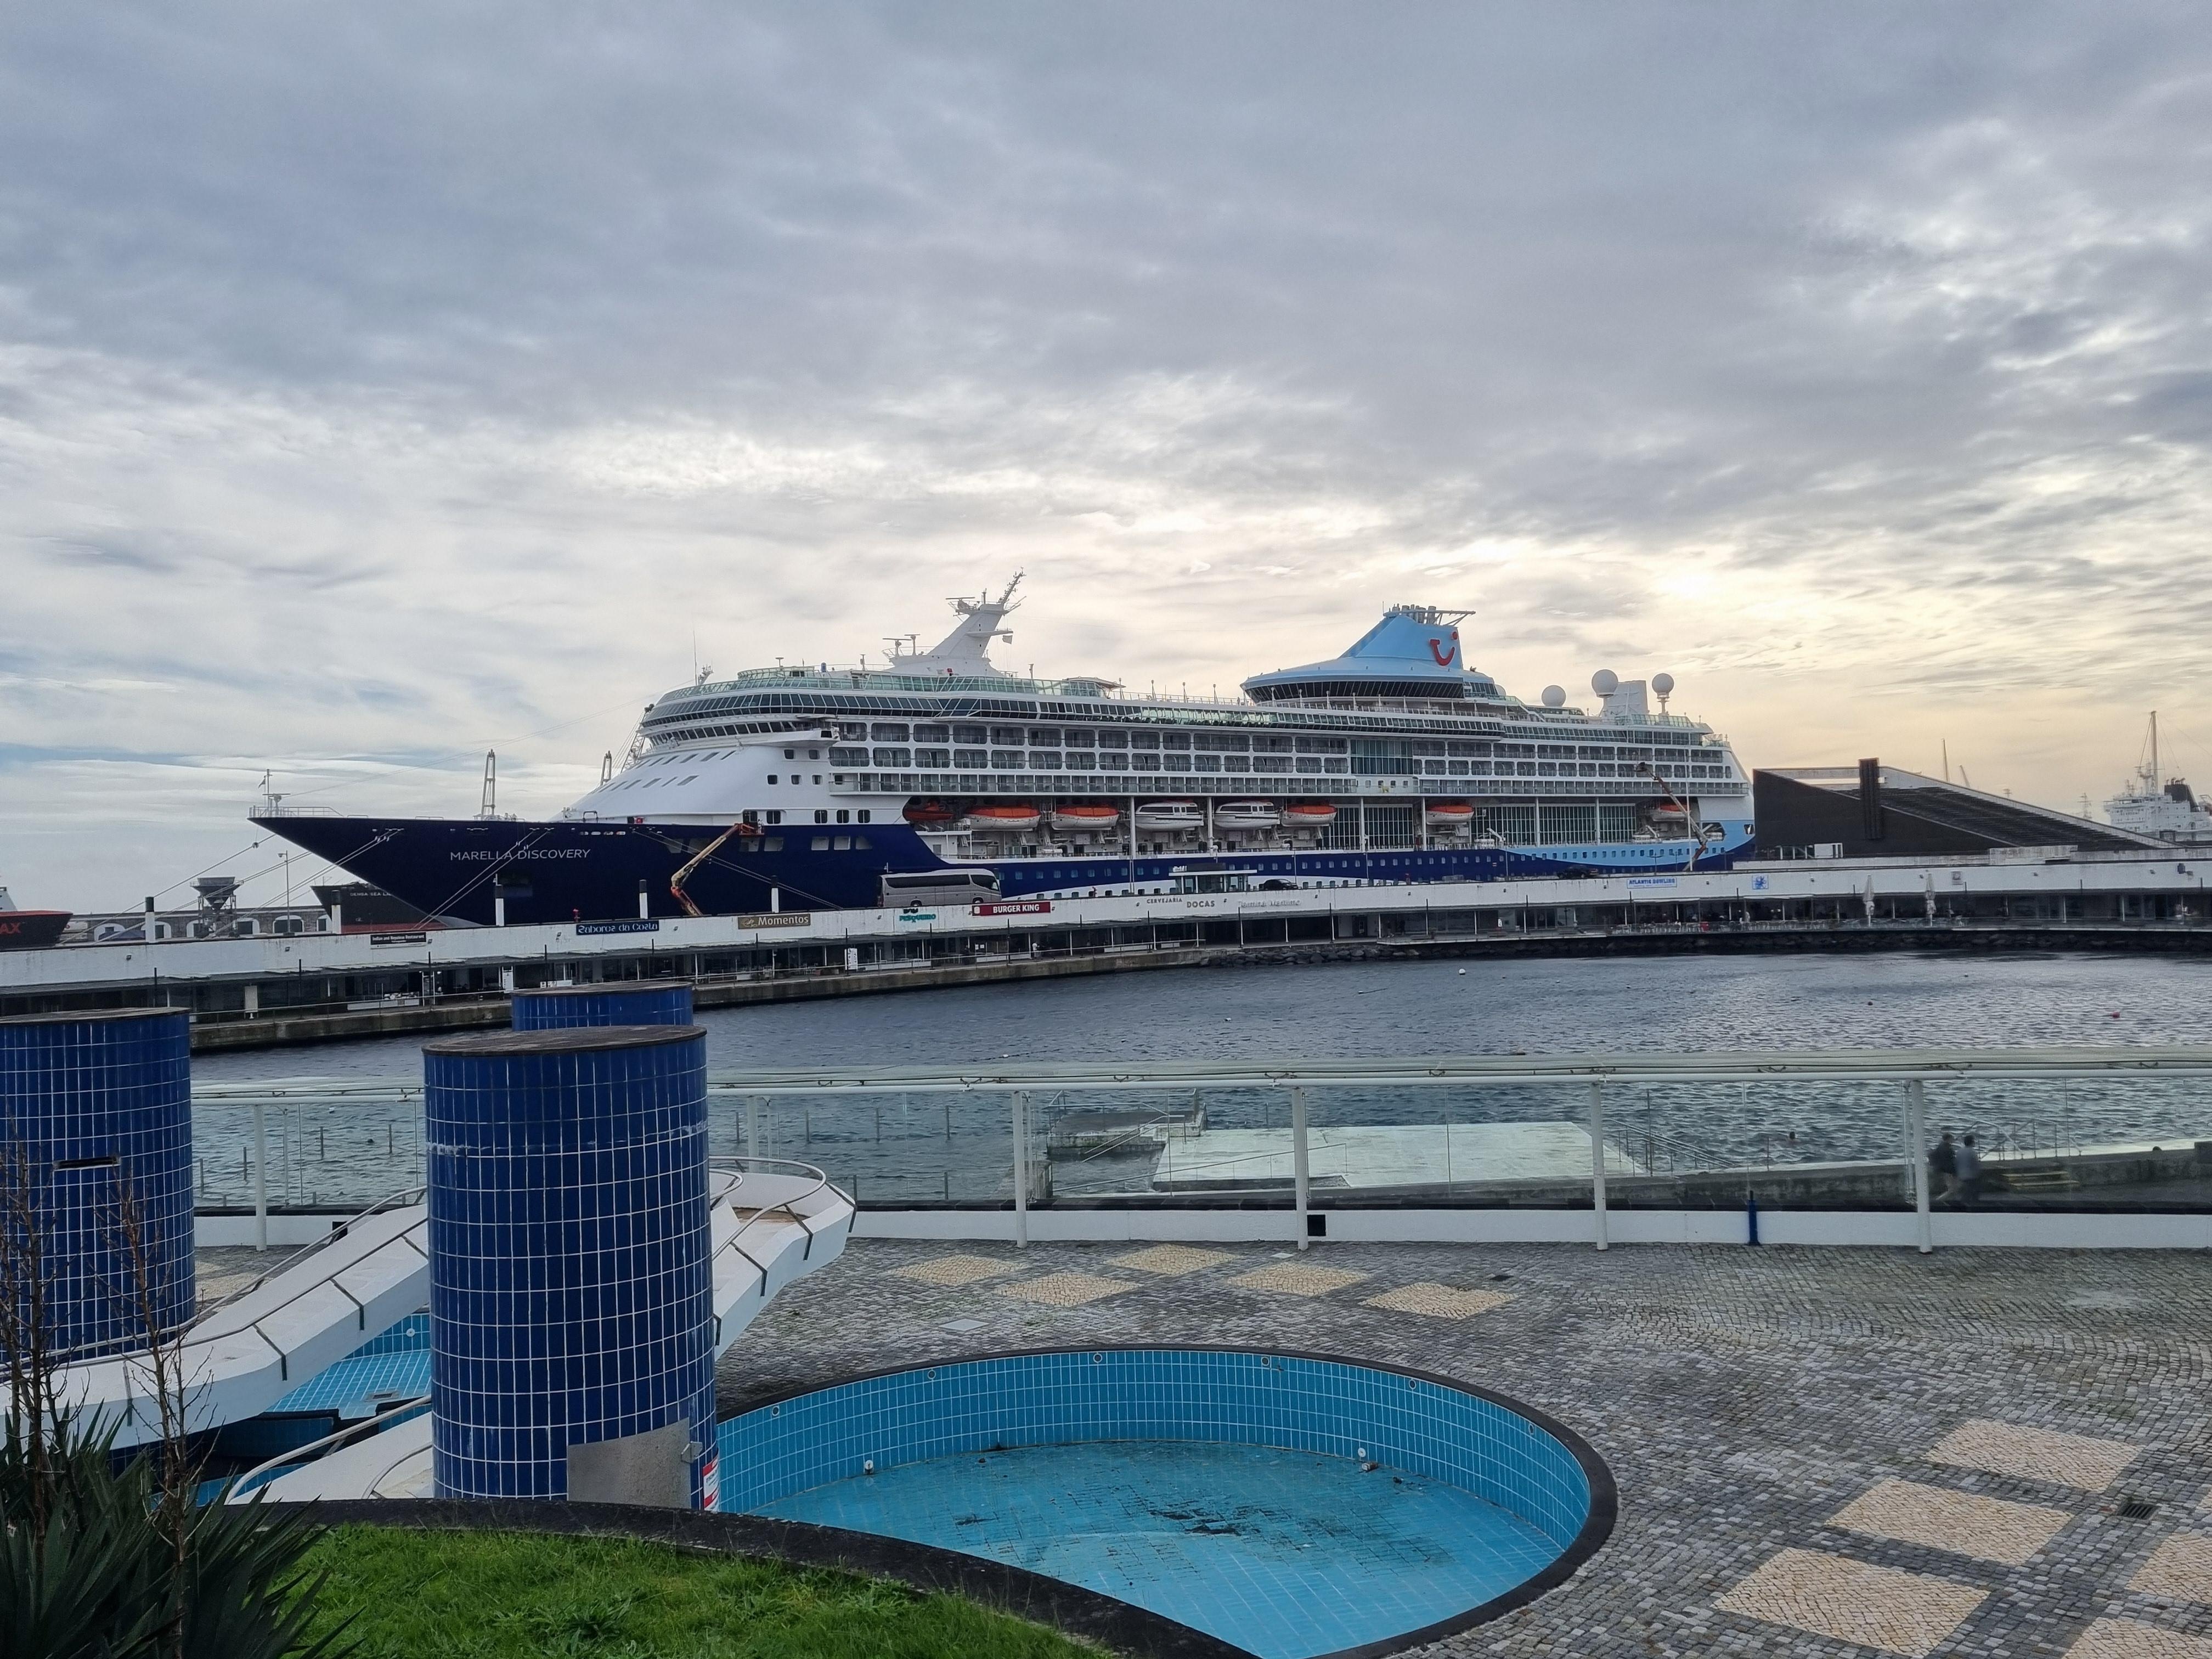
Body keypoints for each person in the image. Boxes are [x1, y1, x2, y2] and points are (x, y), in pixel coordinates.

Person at [1928, 1132, 1958, 1203]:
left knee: (1952, 1189)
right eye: (1952, 1138)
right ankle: (1937, 1201)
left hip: (1942, 1170)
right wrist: (1954, 1172)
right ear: (1949, 1139)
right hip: (1947, 1172)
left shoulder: (1941, 1146)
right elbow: (1949, 1162)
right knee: (1952, 1190)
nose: (1953, 1140)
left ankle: (1950, 1202)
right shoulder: (1948, 1149)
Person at [1956, 1135, 1984, 1206]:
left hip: (1961, 1173)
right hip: (1971, 1175)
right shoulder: (1972, 1152)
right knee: (1974, 1188)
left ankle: (1968, 1202)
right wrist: (1978, 1173)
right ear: (1972, 1142)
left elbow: (1957, 1162)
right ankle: (1970, 1202)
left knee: (1969, 1188)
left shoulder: (1960, 1151)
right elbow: (1975, 1164)